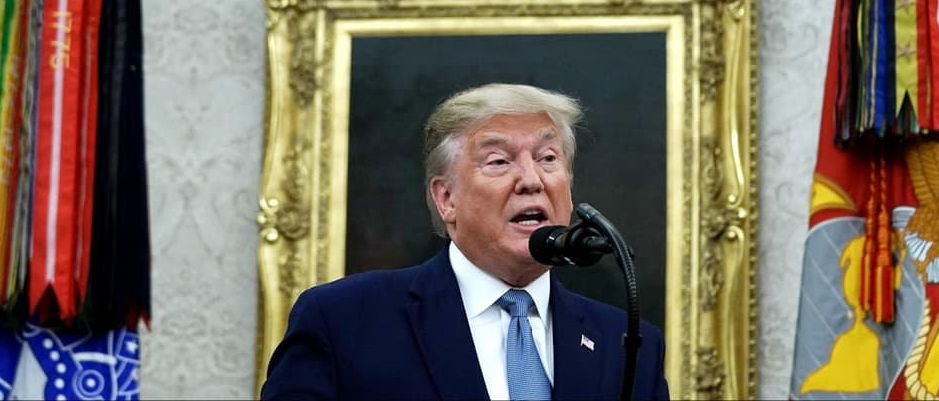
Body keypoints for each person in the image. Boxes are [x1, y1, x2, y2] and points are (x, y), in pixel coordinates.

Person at [261, 83, 671, 400]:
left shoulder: (628, 344)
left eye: (548, 158)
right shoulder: (343, 321)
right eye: (499, 161)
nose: (532, 180)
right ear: (447, 199)